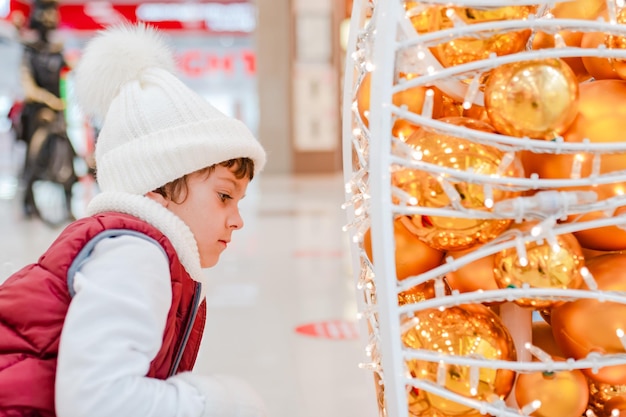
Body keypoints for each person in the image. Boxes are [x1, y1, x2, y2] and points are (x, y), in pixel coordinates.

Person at [0, 23, 267, 417]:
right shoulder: (135, 254)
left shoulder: (137, 250)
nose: (237, 220)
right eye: (225, 196)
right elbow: (98, 403)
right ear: (155, 187)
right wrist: (217, 403)